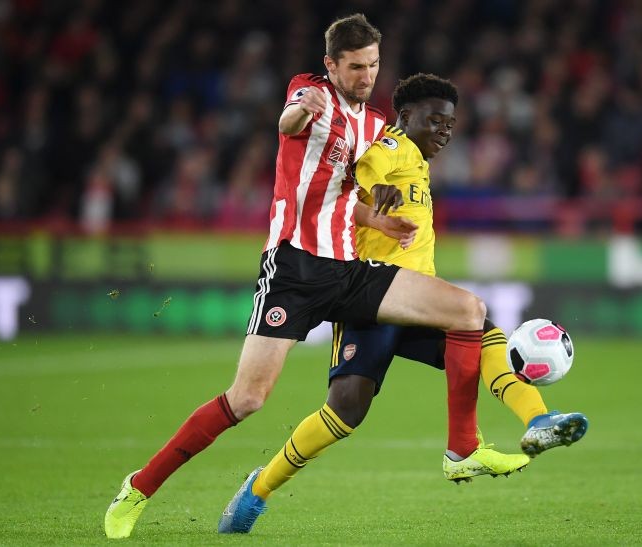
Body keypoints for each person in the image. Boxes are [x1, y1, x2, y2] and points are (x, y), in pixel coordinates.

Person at [105, 14, 504, 539]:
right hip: (293, 269)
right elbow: (287, 123)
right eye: (355, 66)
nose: (366, 76)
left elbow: (343, 194)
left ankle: (462, 449)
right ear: (331, 66)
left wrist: (378, 219)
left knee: (467, 310)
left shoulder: (374, 126)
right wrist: (301, 109)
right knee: (247, 399)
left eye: (373, 65)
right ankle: (139, 487)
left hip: (349, 270)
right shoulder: (309, 91)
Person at [217, 73, 589, 534]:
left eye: (450, 124)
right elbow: (365, 172)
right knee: (345, 412)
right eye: (435, 121)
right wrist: (377, 192)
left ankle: (534, 420)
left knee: (484, 337)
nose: (444, 131)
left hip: (417, 300)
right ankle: (258, 489)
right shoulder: (392, 145)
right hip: (371, 297)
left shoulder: (418, 161)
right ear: (406, 116)